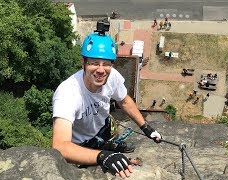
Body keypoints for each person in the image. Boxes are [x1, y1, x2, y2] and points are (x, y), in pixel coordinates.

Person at [52, 30, 162, 178]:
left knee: (106, 141)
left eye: (106, 64)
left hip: (102, 128)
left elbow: (124, 100)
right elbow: (60, 146)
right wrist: (102, 156)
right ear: (83, 63)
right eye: (94, 63)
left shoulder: (113, 77)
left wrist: (146, 127)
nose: (101, 70)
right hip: (81, 144)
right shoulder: (68, 94)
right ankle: (104, 150)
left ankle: (106, 145)